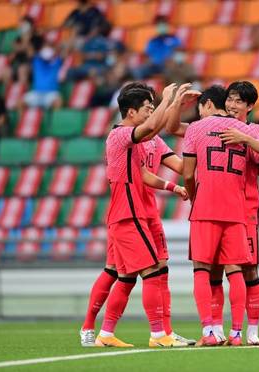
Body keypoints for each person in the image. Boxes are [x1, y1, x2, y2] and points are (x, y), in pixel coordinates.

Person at [80, 83, 198, 347]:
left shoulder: (150, 140)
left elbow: (168, 167)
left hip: (145, 213)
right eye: (148, 107)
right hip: (127, 214)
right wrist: (169, 99)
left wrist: (202, 148)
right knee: (147, 272)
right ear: (131, 112)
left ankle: (107, 333)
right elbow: (151, 127)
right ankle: (157, 335)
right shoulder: (121, 136)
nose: (152, 111)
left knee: (131, 275)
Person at [181, 85, 259, 347]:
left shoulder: (200, 128)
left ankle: (215, 332)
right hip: (235, 210)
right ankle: (233, 333)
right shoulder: (248, 131)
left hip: (215, 208)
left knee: (206, 269)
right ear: (224, 102)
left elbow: (188, 174)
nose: (233, 105)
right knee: (233, 271)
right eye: (230, 100)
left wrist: (194, 196)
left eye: (238, 101)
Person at [23, 43, 63, 109]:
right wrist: (40, 52)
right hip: (36, 93)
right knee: (20, 103)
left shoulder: (57, 62)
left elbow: (64, 52)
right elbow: (29, 50)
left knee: (58, 102)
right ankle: (23, 119)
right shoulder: (37, 61)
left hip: (51, 93)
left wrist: (55, 50)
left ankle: (54, 119)